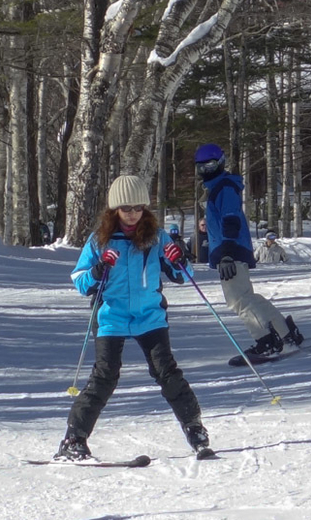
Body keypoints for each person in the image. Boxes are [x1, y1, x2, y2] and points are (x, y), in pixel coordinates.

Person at [56, 175, 209, 460]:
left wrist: (179, 259)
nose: (132, 213)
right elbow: (80, 281)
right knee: (105, 375)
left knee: (166, 372)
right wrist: (98, 270)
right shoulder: (99, 240)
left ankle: (195, 428)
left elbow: (183, 276)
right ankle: (74, 438)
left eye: (138, 207)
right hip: (111, 316)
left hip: (149, 316)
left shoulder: (157, 237)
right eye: (126, 207)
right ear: (115, 209)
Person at [195, 143, 305, 359]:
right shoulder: (219, 187)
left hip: (231, 251)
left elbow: (231, 220)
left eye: (210, 166)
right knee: (247, 297)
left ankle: (266, 341)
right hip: (231, 250)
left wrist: (226, 253)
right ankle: (286, 333)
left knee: (238, 300)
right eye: (201, 167)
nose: (205, 171)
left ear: (220, 163)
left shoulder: (224, 188)